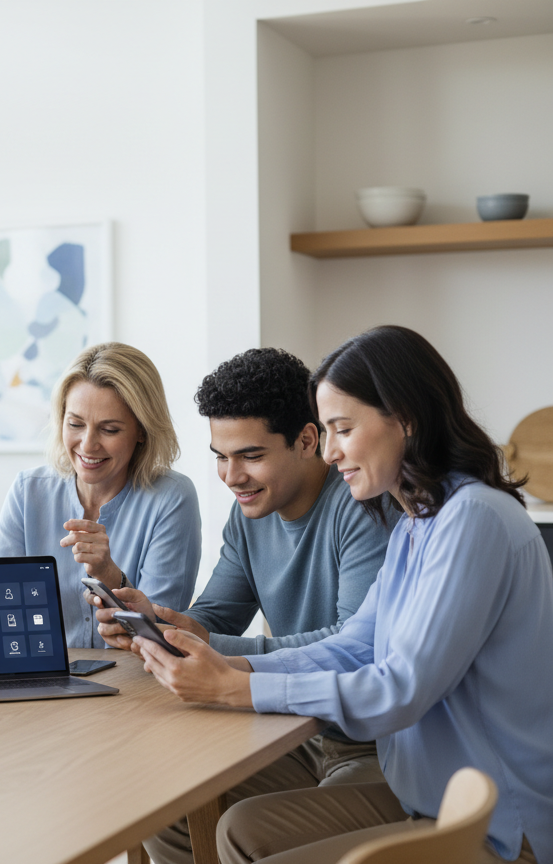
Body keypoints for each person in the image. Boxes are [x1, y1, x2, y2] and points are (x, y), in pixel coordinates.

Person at [125, 326, 552, 864]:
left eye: (342, 429)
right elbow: (356, 644)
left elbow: (401, 688)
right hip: (426, 796)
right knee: (236, 829)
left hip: (495, 826)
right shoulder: (418, 525)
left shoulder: (474, 519)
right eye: (325, 431)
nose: (328, 452)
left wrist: (237, 691)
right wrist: (232, 670)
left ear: (406, 419)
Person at [93, 347, 395, 864]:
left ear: (307, 439)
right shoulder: (250, 516)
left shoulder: (361, 506)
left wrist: (210, 644)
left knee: (248, 831)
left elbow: (354, 643)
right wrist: (163, 625)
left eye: (250, 456)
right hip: (296, 734)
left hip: (374, 745)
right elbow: (215, 615)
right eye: (219, 456)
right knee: (169, 806)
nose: (231, 477)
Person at [0, 342, 200, 649]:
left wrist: (110, 576)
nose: (87, 445)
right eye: (75, 424)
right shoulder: (28, 491)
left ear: (142, 430)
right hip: (42, 678)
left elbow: (164, 633)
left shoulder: (171, 498)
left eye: (109, 430)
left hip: (136, 685)